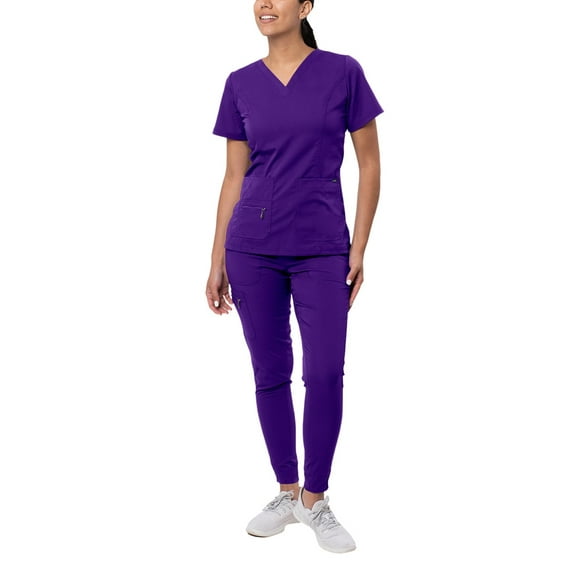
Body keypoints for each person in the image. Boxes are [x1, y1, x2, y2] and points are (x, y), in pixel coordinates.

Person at [205, 0, 383, 554]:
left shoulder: (343, 72)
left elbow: (370, 163)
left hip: (322, 247)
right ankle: (286, 491)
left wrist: (359, 246)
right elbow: (233, 177)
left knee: (325, 372)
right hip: (251, 248)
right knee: (270, 372)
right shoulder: (240, 83)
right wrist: (216, 258)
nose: (265, 3)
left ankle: (315, 498)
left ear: (305, 6)